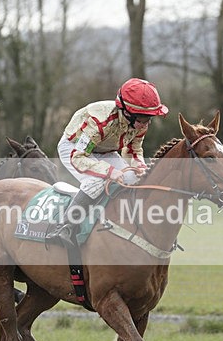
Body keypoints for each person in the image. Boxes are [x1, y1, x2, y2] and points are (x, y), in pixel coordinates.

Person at [50, 78, 169, 246]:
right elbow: (79, 157)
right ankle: (64, 226)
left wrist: (141, 167)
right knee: (95, 182)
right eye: (142, 118)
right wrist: (110, 171)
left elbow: (133, 150)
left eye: (150, 118)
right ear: (127, 113)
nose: (146, 123)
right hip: (74, 148)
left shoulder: (140, 125)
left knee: (133, 178)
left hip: (105, 150)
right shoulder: (99, 121)